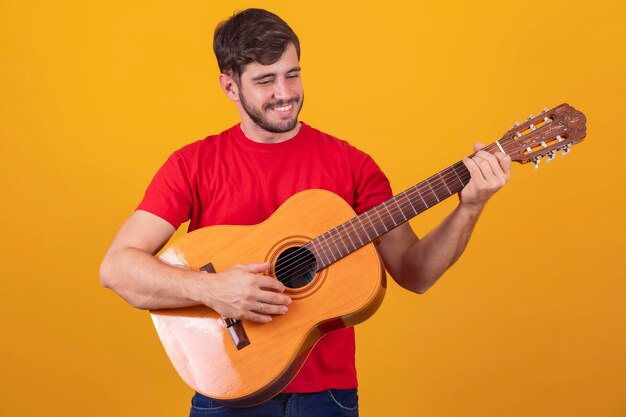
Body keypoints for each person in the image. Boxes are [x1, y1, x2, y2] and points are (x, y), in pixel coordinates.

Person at [99, 8, 511, 417]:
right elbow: (117, 268)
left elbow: (414, 273)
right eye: (265, 80)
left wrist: (470, 207)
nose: (285, 93)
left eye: (292, 74)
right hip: (226, 390)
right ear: (230, 86)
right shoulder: (193, 164)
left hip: (328, 399)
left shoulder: (352, 164)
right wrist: (213, 290)